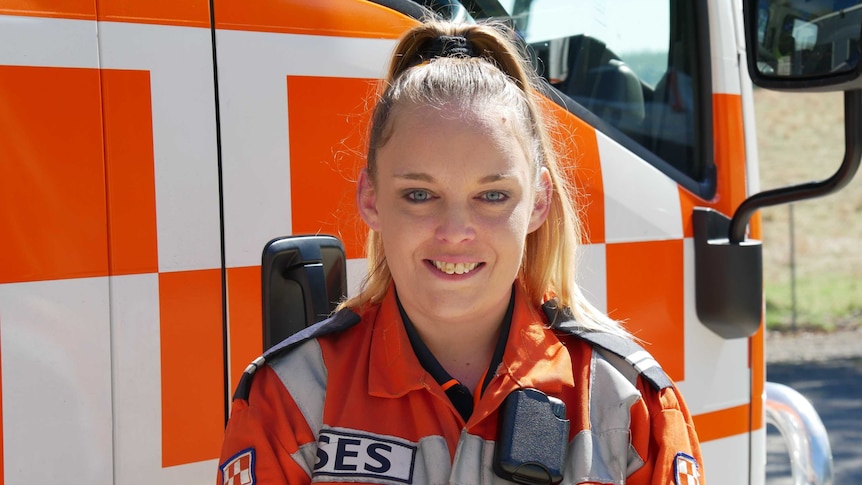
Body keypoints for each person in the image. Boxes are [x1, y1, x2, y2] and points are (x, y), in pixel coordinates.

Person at [217, 18, 704, 485]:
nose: (454, 232)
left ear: (538, 203)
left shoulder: (629, 403)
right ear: (371, 199)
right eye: (419, 194)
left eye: (492, 196)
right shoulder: (290, 398)